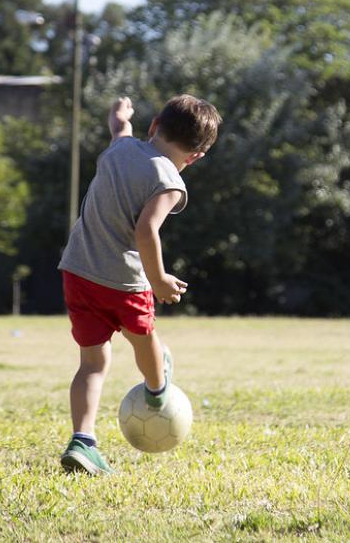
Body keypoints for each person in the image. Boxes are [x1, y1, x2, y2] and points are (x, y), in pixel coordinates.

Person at [57, 95, 221, 474]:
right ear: (196, 156)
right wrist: (159, 279)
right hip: (124, 282)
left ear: (154, 126)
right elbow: (146, 230)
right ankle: (158, 390)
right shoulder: (170, 182)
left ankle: (83, 440)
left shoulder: (121, 148)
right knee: (145, 340)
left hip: (78, 271)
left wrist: (119, 113)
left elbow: (119, 127)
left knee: (92, 363)